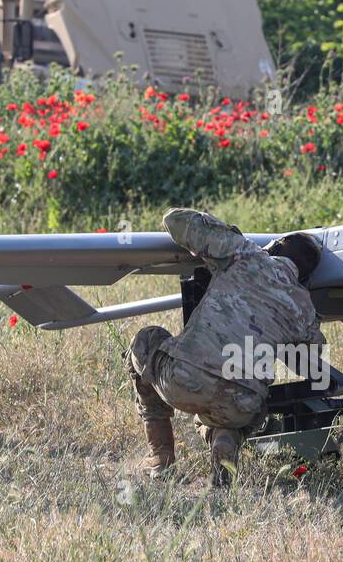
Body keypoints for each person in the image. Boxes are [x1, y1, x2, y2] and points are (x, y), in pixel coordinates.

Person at [125, 208, 324, 485]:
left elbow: (174, 221)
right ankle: (224, 442)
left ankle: (161, 458)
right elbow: (313, 358)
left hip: (185, 379)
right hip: (242, 404)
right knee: (235, 412)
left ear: (274, 248)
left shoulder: (244, 253)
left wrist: (227, 235)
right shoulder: (303, 306)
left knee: (145, 339)